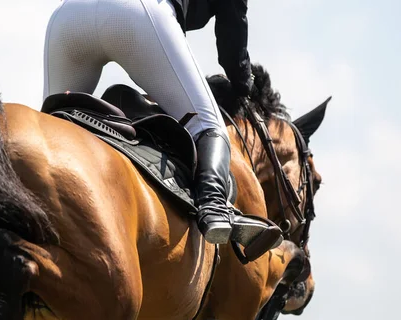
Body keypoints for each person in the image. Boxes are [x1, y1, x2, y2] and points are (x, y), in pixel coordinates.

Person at [43, 0, 280, 252]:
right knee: (209, 126)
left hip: (69, 15)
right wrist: (246, 85)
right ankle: (213, 206)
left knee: (47, 129)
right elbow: (231, 43)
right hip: (136, 12)